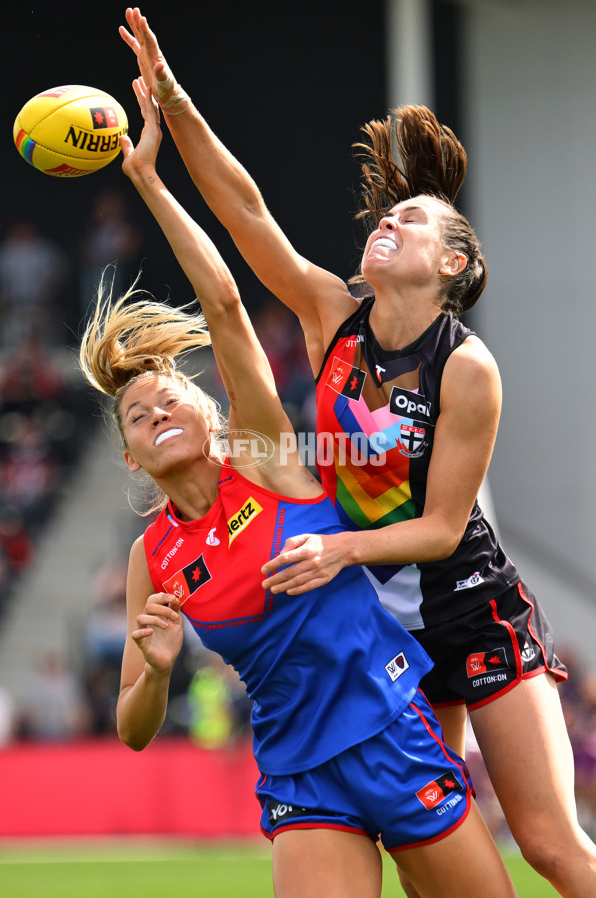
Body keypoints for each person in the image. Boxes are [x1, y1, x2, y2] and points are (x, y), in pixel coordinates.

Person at [119, 9, 596, 896]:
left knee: (551, 847)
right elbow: (245, 214)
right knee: (429, 869)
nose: (388, 221)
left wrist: (335, 546)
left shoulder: (469, 369)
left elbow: (444, 527)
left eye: (412, 221)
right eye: (387, 213)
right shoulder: (333, 316)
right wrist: (176, 104)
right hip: (386, 619)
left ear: (452, 264)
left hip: (465, 602)